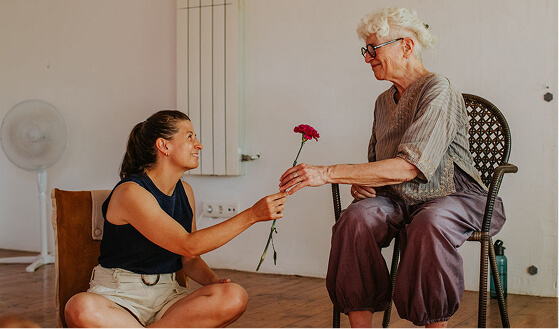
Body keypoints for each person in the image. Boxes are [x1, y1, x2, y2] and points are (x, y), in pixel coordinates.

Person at [279, 7, 506, 328]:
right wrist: (364, 184)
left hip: (453, 195)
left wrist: (327, 172)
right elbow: (380, 168)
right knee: (355, 219)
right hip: (399, 198)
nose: (368, 57)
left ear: (407, 46)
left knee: (430, 222)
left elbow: (410, 167)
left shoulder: (438, 89)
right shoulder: (383, 102)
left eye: (374, 49)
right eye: (366, 50)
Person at [65, 110, 288, 328]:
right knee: (80, 308)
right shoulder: (130, 193)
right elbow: (188, 244)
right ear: (164, 146)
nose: (198, 144)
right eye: (190, 136)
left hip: (167, 296)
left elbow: (189, 259)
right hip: (119, 295)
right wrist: (252, 215)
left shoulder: (186, 191)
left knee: (234, 296)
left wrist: (212, 282)